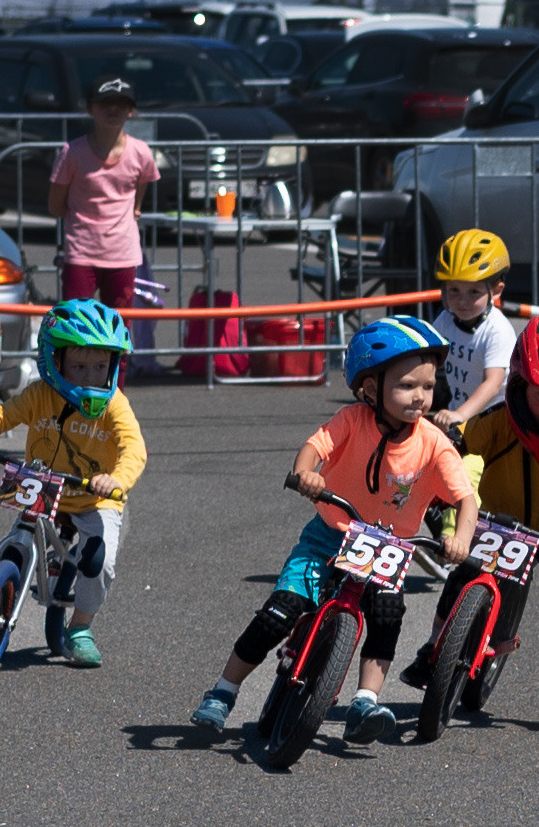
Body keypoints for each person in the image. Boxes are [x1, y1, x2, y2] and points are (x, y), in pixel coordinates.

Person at [191, 317, 479, 743]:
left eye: (428, 386)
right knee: (280, 610)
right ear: (369, 388)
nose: (420, 397)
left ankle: (365, 699)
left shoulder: (434, 442)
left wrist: (460, 539)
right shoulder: (352, 420)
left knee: (386, 616)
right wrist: (306, 474)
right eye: (406, 386)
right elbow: (315, 447)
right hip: (330, 532)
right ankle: (223, 690)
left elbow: (465, 498)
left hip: (387, 547)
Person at [402, 311, 539, 711]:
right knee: (462, 571)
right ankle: (434, 646)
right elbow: (456, 446)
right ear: (520, 386)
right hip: (497, 524)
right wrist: (434, 486)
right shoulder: (499, 422)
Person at [0, 299, 147, 668]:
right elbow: (2, 414)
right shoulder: (40, 393)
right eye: (79, 366)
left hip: (94, 498)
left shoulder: (114, 404)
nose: (90, 376)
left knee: (99, 564)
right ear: (55, 362)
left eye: (100, 366)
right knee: (13, 548)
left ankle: (81, 627)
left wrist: (116, 479)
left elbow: (134, 447)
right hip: (40, 481)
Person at [50, 75, 158, 312]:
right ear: (90, 109)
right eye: (104, 102)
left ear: (130, 110)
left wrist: (135, 208)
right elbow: (55, 205)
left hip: (123, 253)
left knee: (119, 330)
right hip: (81, 253)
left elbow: (142, 185)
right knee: (75, 328)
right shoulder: (72, 152)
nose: (112, 109)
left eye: (121, 103)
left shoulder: (141, 152)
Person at [429, 228, 515, 433]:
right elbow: (424, 357)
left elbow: (493, 384)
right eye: (454, 290)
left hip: (494, 424)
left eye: (474, 291)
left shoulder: (497, 330)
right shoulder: (446, 320)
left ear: (496, 291)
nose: (462, 301)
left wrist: (460, 414)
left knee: (466, 467)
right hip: (458, 419)